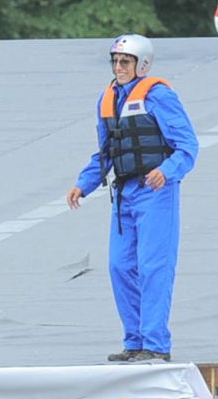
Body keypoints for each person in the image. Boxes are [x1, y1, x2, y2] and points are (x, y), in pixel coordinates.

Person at [67, 34, 200, 363]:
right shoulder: (107, 99)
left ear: (142, 64)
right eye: (115, 61)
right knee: (120, 266)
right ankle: (135, 341)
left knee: (154, 267)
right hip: (124, 194)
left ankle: (156, 344)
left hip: (156, 192)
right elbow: (105, 153)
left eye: (125, 61)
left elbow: (188, 146)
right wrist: (84, 184)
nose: (118, 67)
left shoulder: (159, 96)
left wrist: (166, 171)